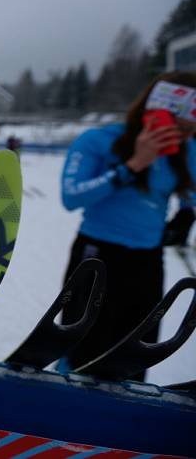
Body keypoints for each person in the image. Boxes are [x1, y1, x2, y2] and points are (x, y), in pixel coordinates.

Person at [59, 71, 196, 382]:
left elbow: (192, 184)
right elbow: (71, 197)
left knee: (133, 355)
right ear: (155, 112)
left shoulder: (188, 151)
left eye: (191, 131)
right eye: (180, 128)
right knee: (83, 349)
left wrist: (186, 211)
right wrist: (133, 165)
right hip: (97, 254)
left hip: (147, 260)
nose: (184, 137)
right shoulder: (99, 141)